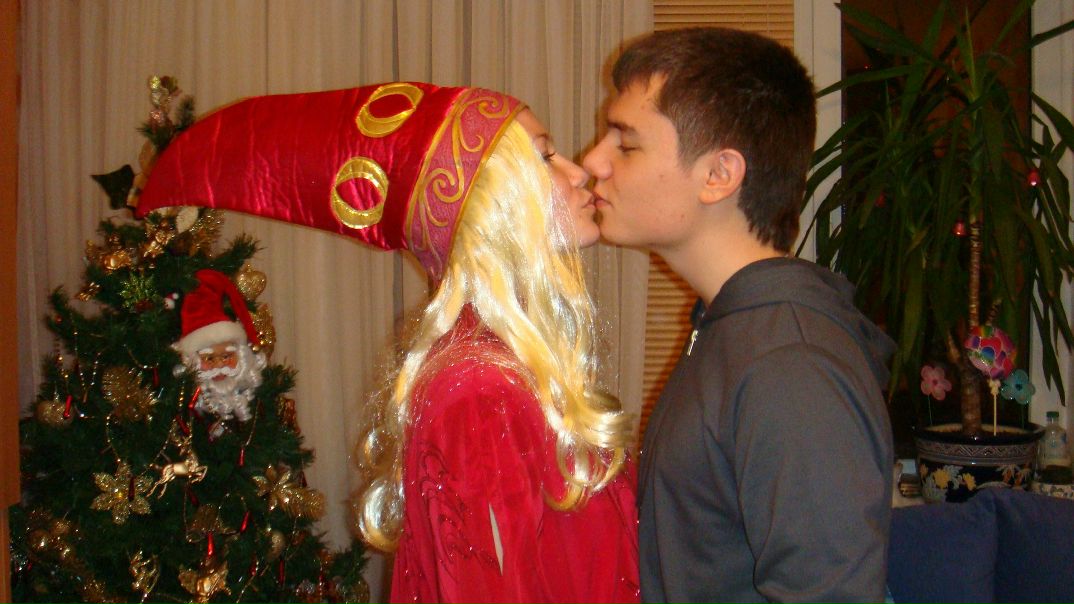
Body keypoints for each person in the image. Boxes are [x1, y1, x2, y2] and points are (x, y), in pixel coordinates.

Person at [134, 82, 639, 603]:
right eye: (545, 156)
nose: (578, 172)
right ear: (489, 204)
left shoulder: (505, 371)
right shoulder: (481, 394)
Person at [583, 28, 895, 603]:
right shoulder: (730, 326)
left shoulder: (790, 366)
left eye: (626, 143)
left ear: (719, 175)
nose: (593, 161)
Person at [172, 268, 267, 428]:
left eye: (226, 356)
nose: (219, 365)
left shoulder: (259, 406)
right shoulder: (182, 414)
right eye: (209, 358)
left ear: (241, 357)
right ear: (192, 361)